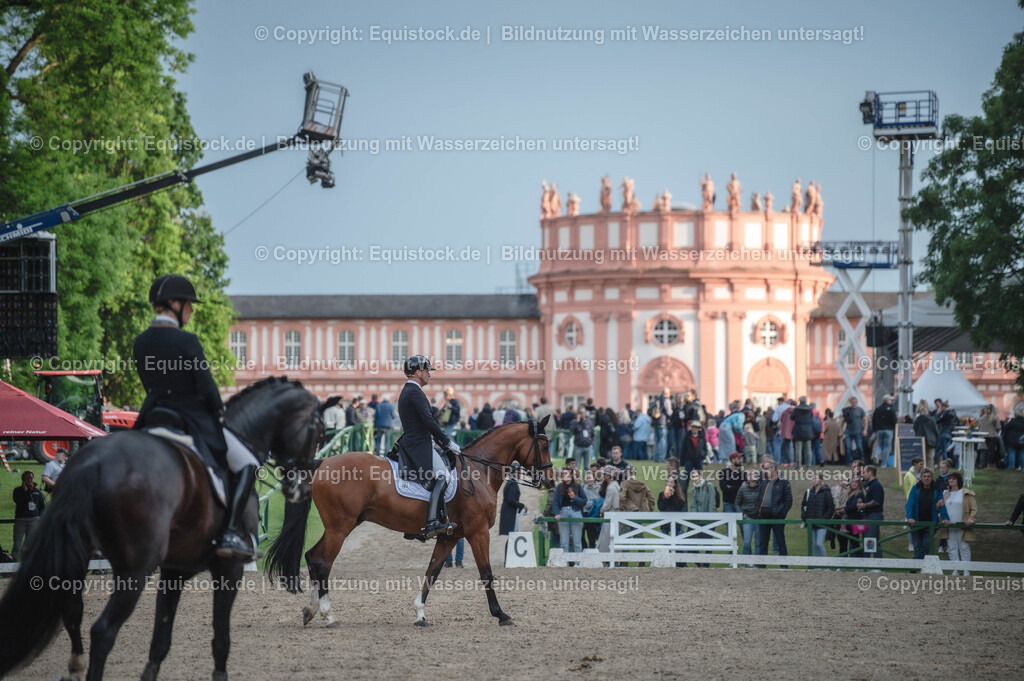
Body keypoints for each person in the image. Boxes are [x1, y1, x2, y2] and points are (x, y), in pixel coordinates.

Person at [134, 274, 261, 560]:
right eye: (189, 304)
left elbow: (150, 384)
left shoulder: (140, 342)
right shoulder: (187, 341)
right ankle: (229, 532)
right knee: (247, 464)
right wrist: (218, 411)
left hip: (152, 418)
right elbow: (206, 387)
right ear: (175, 304)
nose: (191, 310)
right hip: (189, 419)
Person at [397, 354, 460, 539]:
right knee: (444, 476)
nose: (429, 375)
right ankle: (432, 522)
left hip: (416, 441)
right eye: (427, 371)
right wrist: (447, 443)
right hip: (418, 444)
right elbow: (429, 422)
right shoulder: (415, 392)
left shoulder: (409, 391)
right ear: (418, 372)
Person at [937, 471, 977, 575]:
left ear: (958, 480)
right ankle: (955, 569)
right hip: (949, 525)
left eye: (953, 479)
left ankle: (966, 569)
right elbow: (941, 508)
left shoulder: (966, 493)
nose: (951, 480)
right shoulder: (945, 493)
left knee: (964, 546)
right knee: (951, 547)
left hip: (962, 524)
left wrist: (970, 519)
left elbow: (974, 508)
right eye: (950, 479)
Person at [755, 460, 792, 566]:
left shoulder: (783, 482)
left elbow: (788, 500)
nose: (764, 471)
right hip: (764, 516)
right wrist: (759, 511)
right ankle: (762, 565)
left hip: (777, 516)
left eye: (766, 468)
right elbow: (759, 497)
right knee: (763, 542)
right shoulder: (763, 481)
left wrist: (782, 513)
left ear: (773, 469)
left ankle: (784, 565)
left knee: (781, 541)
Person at [905, 468, 941, 560]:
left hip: (930, 524)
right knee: (917, 547)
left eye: (928, 476)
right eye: (924, 476)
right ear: (920, 478)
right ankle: (917, 571)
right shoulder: (915, 488)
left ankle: (913, 565)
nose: (926, 478)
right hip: (916, 523)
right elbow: (909, 504)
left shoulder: (937, 489)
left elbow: (942, 504)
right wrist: (909, 517)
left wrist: (944, 517)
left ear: (932, 478)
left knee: (926, 547)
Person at [553, 468, 587, 563]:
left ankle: (578, 563)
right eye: (563, 474)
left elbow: (584, 501)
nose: (564, 475)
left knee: (577, 541)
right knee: (564, 542)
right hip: (563, 512)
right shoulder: (559, 487)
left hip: (575, 511)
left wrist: (575, 497)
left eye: (566, 473)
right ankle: (565, 562)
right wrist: (556, 513)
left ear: (571, 475)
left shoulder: (578, 486)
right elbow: (555, 502)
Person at [12, 470, 45, 560]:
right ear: (23, 479)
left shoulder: (37, 492)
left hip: (34, 520)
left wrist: (40, 518)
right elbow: (19, 501)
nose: (29, 480)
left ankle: (26, 563)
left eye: (31, 478)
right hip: (20, 520)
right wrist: (25, 492)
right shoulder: (17, 491)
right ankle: (13, 562)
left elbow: (42, 506)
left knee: (29, 543)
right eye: (27, 478)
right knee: (17, 543)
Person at [801, 472, 835, 559]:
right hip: (811, 523)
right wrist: (805, 518)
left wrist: (824, 519)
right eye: (813, 478)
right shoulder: (809, 492)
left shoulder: (826, 492)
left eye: (815, 478)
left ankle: (825, 564)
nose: (814, 480)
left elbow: (831, 507)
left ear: (821, 479)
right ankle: (817, 565)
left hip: (821, 523)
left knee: (819, 544)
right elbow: (804, 506)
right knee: (814, 545)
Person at [688, 470, 717, 567]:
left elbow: (712, 502)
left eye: (696, 476)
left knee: (708, 543)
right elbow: (693, 505)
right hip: (697, 520)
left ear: (701, 476)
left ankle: (706, 564)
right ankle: (698, 562)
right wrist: (695, 517)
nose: (695, 478)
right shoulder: (693, 490)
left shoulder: (709, 486)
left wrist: (710, 516)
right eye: (693, 476)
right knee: (691, 541)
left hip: (708, 519)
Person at [858, 465, 885, 560]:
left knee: (871, 540)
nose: (863, 474)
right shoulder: (868, 484)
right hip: (868, 515)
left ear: (870, 472)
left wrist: (864, 505)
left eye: (864, 472)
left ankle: (874, 564)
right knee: (871, 539)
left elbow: (876, 501)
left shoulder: (876, 485)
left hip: (874, 515)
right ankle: (875, 563)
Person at [735, 470, 762, 559]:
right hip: (748, 517)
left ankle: (756, 562)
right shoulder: (742, 489)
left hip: (758, 517)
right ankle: (744, 562)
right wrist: (741, 513)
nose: (752, 476)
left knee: (758, 542)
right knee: (747, 542)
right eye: (750, 474)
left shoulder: (761, 488)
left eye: (755, 474)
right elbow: (737, 503)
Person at [596, 466, 622, 555]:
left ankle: (605, 558)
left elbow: (607, 503)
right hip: (616, 514)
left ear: (609, 476)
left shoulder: (611, 487)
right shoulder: (616, 485)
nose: (604, 476)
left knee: (606, 538)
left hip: (611, 514)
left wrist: (601, 510)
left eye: (605, 474)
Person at [498, 463, 526, 535]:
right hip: (509, 513)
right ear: (515, 472)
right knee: (513, 536)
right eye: (519, 472)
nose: (520, 474)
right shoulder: (513, 483)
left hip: (510, 512)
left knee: (513, 536)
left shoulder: (511, 482)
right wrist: (522, 506)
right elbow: (511, 500)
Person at [679, 420, 708, 489]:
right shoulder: (687, 437)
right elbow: (683, 449)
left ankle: (700, 488)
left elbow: (705, 448)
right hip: (689, 459)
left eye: (696, 428)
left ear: (699, 429)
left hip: (699, 459)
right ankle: (684, 489)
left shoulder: (701, 437)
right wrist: (682, 461)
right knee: (687, 475)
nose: (694, 429)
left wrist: (703, 455)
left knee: (699, 475)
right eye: (693, 427)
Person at [844, 477, 867, 558]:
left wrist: (844, 509)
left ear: (859, 484)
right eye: (852, 482)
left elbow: (854, 506)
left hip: (854, 521)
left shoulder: (859, 493)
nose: (854, 484)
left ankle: (860, 563)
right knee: (851, 544)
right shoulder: (849, 493)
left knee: (855, 544)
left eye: (856, 482)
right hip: (849, 521)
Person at [580, 470, 603, 549]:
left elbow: (601, 501)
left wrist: (593, 502)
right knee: (590, 536)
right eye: (587, 478)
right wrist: (595, 502)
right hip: (587, 514)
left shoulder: (599, 488)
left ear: (594, 478)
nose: (588, 480)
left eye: (590, 477)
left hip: (598, 514)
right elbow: (585, 504)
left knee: (599, 535)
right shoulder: (584, 490)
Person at [872, 395, 898, 467]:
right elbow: (894, 421)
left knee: (880, 445)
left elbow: (874, 420)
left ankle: (876, 455)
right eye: (890, 400)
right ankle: (883, 464)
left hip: (879, 430)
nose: (891, 401)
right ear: (887, 400)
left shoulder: (877, 409)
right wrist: (894, 429)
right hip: (889, 430)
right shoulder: (891, 409)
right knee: (887, 447)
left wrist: (875, 429)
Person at [840, 397, 867, 464]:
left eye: (855, 402)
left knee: (860, 447)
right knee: (848, 447)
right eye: (852, 402)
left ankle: (861, 461)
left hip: (858, 432)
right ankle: (850, 462)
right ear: (850, 403)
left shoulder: (860, 410)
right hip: (848, 431)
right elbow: (842, 421)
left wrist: (865, 430)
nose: (854, 404)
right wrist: (841, 431)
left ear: (856, 402)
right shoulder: (847, 411)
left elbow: (865, 420)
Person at [829, 476, 850, 556]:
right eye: (841, 480)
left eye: (845, 480)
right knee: (842, 540)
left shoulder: (845, 489)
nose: (843, 482)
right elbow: (835, 498)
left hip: (843, 512)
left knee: (844, 541)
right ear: (837, 481)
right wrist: (837, 509)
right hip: (841, 512)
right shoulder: (838, 488)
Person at [914, 401, 939, 469]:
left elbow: (915, 428)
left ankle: (922, 473)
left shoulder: (918, 420)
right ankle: (930, 473)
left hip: (920, 440)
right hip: (931, 440)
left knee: (921, 458)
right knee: (930, 458)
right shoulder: (932, 420)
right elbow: (936, 430)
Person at [791, 397, 814, 467]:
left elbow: (792, 417)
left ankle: (798, 465)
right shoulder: (810, 409)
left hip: (798, 430)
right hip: (808, 430)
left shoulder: (796, 409)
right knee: (808, 449)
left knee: (798, 449)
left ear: (800, 401)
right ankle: (809, 464)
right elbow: (811, 417)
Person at [1001, 401, 1024, 471]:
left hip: (1012, 440)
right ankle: (1023, 466)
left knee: (1012, 452)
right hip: (1022, 440)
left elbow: (1006, 428)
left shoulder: (1013, 421)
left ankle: (1011, 466)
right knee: (1022, 453)